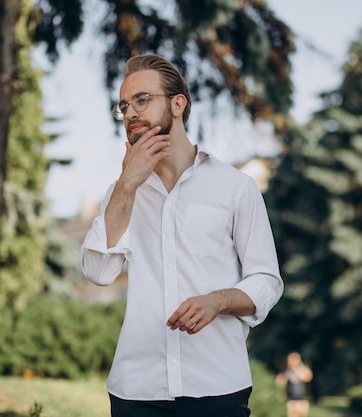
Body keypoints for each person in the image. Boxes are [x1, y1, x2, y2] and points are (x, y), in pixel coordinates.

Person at [80, 54, 284, 417]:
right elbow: (98, 272)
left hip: (218, 385)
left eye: (142, 100)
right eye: (124, 106)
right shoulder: (122, 191)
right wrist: (128, 182)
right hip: (137, 389)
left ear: (178, 104)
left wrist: (218, 300)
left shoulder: (236, 187)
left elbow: (266, 280)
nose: (130, 113)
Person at [276, 352, 313, 417]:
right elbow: (280, 382)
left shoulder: (303, 370)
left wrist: (298, 369)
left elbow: (308, 377)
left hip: (302, 399)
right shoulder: (287, 371)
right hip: (291, 399)